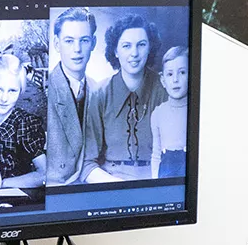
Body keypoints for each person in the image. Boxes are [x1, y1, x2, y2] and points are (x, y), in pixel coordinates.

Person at [80, 13, 167, 182]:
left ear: (150, 48)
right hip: (109, 185)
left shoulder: (164, 89)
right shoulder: (99, 94)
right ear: (115, 50)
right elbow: (87, 164)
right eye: (126, 46)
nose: (134, 53)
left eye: (141, 44)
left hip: (156, 183)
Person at [0, 54, 46, 188]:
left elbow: (44, 173)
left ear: (20, 91)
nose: (4, 98)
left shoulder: (25, 124)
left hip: (15, 196)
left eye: (12, 91)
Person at [46, 8, 101, 185]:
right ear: (56, 43)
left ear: (93, 43)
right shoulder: (43, 91)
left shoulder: (99, 90)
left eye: (84, 40)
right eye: (69, 41)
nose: (77, 49)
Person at [150, 45, 188, 179]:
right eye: (170, 74)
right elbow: (156, 154)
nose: (175, 79)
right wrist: (155, 181)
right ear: (163, 80)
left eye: (182, 72)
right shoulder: (158, 113)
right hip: (166, 168)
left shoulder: (194, 111)